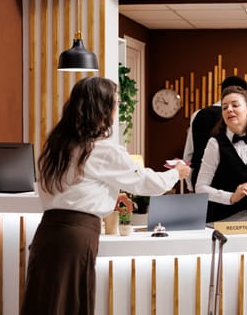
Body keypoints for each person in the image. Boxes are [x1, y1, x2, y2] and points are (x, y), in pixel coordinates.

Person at [20, 76, 190, 315]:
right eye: (116, 102)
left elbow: (69, 190)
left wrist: (109, 196)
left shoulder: (55, 147)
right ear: (102, 108)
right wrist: (176, 173)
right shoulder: (102, 148)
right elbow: (145, 182)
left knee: (44, 306)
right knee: (69, 306)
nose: (117, 108)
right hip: (75, 239)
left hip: (47, 235)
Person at [195, 85, 247, 222]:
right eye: (224, 107)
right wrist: (231, 197)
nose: (229, 109)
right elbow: (201, 187)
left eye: (235, 105)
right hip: (222, 220)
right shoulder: (215, 143)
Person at [182, 76, 247, 191]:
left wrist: (189, 182)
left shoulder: (198, 114)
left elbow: (189, 152)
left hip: (199, 178)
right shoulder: (241, 116)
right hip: (231, 181)